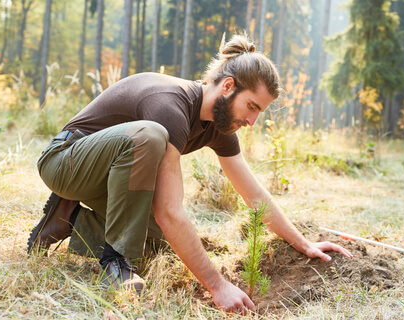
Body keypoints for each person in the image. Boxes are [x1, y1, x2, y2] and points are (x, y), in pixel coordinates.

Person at [28, 34, 352, 314]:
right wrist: (218, 286)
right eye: (252, 107)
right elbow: (169, 211)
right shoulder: (170, 106)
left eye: (259, 113)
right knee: (150, 136)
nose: (253, 121)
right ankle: (117, 263)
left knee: (160, 246)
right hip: (65, 163)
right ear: (228, 87)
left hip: (108, 177)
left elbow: (253, 194)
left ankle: (67, 219)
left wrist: (304, 243)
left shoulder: (219, 127)